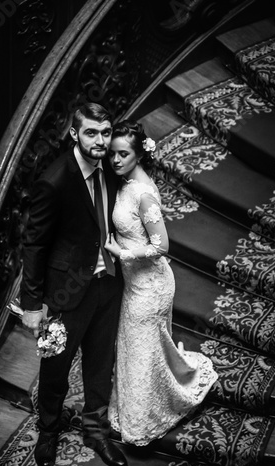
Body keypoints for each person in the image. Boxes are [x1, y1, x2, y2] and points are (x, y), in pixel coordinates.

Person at [20, 102, 127, 466]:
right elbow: (34, 243)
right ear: (74, 134)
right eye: (91, 133)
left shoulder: (112, 168)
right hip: (67, 291)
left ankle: (95, 433)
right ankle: (49, 429)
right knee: (56, 367)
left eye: (106, 132)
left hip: (109, 284)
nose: (100, 141)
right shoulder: (55, 180)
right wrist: (33, 304)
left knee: (101, 363)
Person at [104, 120, 218, 446]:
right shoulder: (126, 182)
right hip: (135, 283)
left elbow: (162, 246)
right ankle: (134, 411)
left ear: (138, 154)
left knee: (139, 351)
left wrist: (123, 253)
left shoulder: (143, 195)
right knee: (135, 348)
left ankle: (140, 427)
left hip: (150, 286)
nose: (115, 160)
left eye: (123, 154)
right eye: (113, 153)